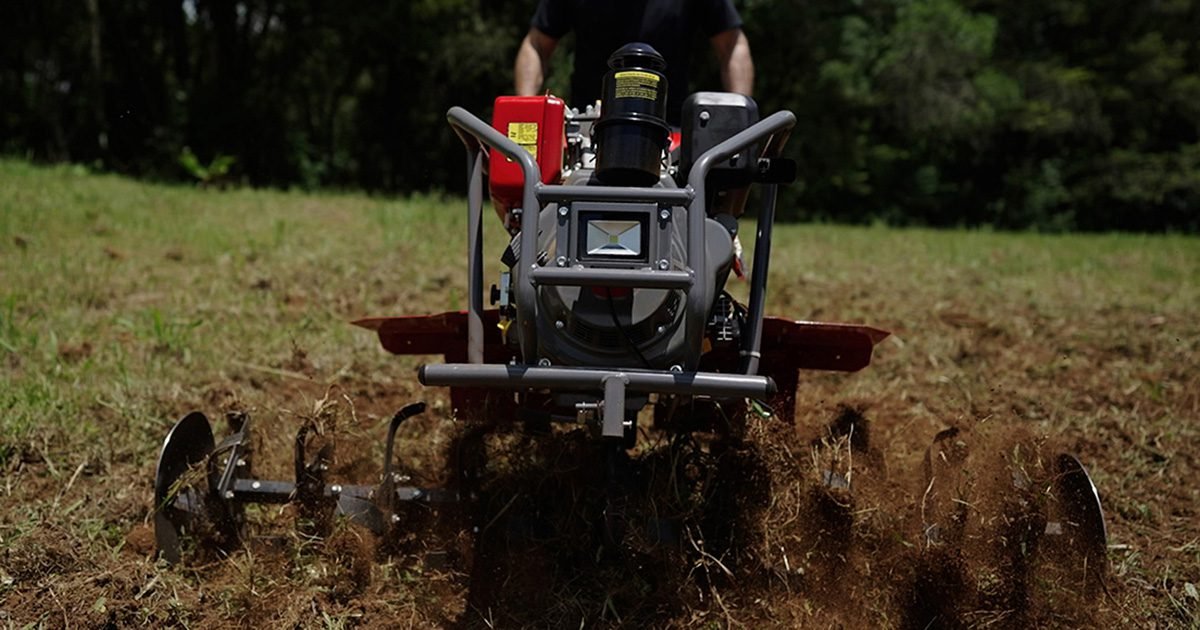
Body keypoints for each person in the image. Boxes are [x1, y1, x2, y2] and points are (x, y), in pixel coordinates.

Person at [514, 0, 754, 126]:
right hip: (587, 126)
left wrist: (739, 120)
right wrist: (526, 111)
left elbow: (733, 46)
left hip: (672, 131)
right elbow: (536, 44)